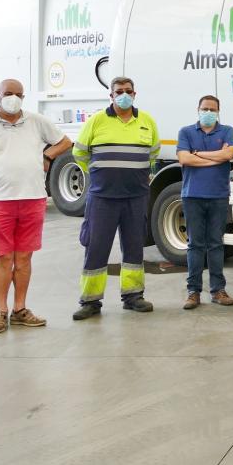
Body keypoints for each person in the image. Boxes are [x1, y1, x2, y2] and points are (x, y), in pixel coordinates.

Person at [0, 78, 72, 334]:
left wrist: (46, 155)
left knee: (24, 258)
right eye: (8, 93)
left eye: (19, 94)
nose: (13, 98)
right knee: (3, 258)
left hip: (32, 198)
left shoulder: (35, 121)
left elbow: (64, 142)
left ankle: (20, 309)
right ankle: (1, 311)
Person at [72, 77, 160, 320]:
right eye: (119, 91)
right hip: (103, 197)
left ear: (135, 94)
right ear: (111, 96)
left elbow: (153, 153)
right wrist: (101, 174)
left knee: (134, 247)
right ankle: (90, 301)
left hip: (136, 196)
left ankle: (133, 296)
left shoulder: (146, 121)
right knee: (96, 248)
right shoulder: (96, 121)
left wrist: (134, 173)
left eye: (128, 91)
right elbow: (79, 153)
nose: (124, 95)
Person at [176, 95, 233, 309]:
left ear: (218, 111)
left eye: (212, 109)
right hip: (192, 195)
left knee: (216, 244)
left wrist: (199, 154)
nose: (208, 112)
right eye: (205, 109)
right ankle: (193, 291)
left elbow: (228, 155)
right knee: (195, 244)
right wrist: (216, 157)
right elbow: (184, 159)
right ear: (198, 110)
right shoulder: (185, 132)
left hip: (218, 196)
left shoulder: (227, 131)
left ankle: (218, 290)